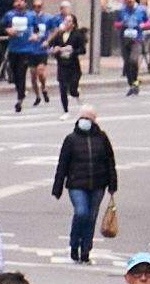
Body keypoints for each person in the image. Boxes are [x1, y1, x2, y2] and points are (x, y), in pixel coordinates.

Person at [51, 108, 119, 265]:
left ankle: (86, 249)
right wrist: (58, 186)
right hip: (77, 184)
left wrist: (113, 184)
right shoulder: (71, 139)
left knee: (91, 217)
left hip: (98, 184)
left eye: (88, 118)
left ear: (94, 121)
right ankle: (74, 244)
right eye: (83, 117)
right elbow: (63, 164)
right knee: (81, 212)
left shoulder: (102, 138)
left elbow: (110, 161)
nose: (85, 121)